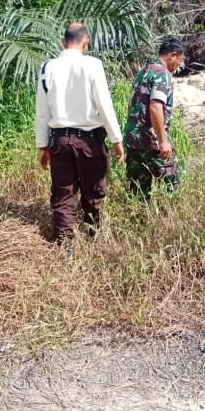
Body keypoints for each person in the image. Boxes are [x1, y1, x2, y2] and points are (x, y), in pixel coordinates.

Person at [35, 23, 125, 254]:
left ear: (63, 42)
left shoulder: (48, 67)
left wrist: (42, 145)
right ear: (86, 44)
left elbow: (42, 111)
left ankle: (65, 245)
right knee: (93, 190)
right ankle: (94, 235)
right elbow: (105, 104)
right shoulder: (93, 65)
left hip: (60, 142)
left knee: (64, 193)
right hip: (90, 141)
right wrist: (116, 139)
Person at [124, 38, 186, 197]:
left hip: (133, 142)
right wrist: (163, 141)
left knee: (138, 193)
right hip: (152, 142)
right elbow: (155, 107)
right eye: (179, 61)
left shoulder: (142, 71)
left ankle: (140, 221)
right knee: (172, 187)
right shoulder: (162, 74)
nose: (178, 66)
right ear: (172, 55)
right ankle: (169, 220)